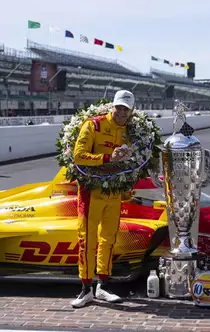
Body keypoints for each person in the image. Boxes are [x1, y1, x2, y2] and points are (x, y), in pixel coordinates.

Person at [70, 90, 135, 308]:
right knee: (87, 241)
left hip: (113, 194)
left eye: (126, 109)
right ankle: (85, 289)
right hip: (91, 193)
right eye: (119, 107)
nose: (121, 112)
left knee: (109, 239)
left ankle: (103, 285)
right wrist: (107, 157)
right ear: (112, 107)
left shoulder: (131, 132)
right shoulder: (94, 125)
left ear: (131, 111)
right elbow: (78, 156)